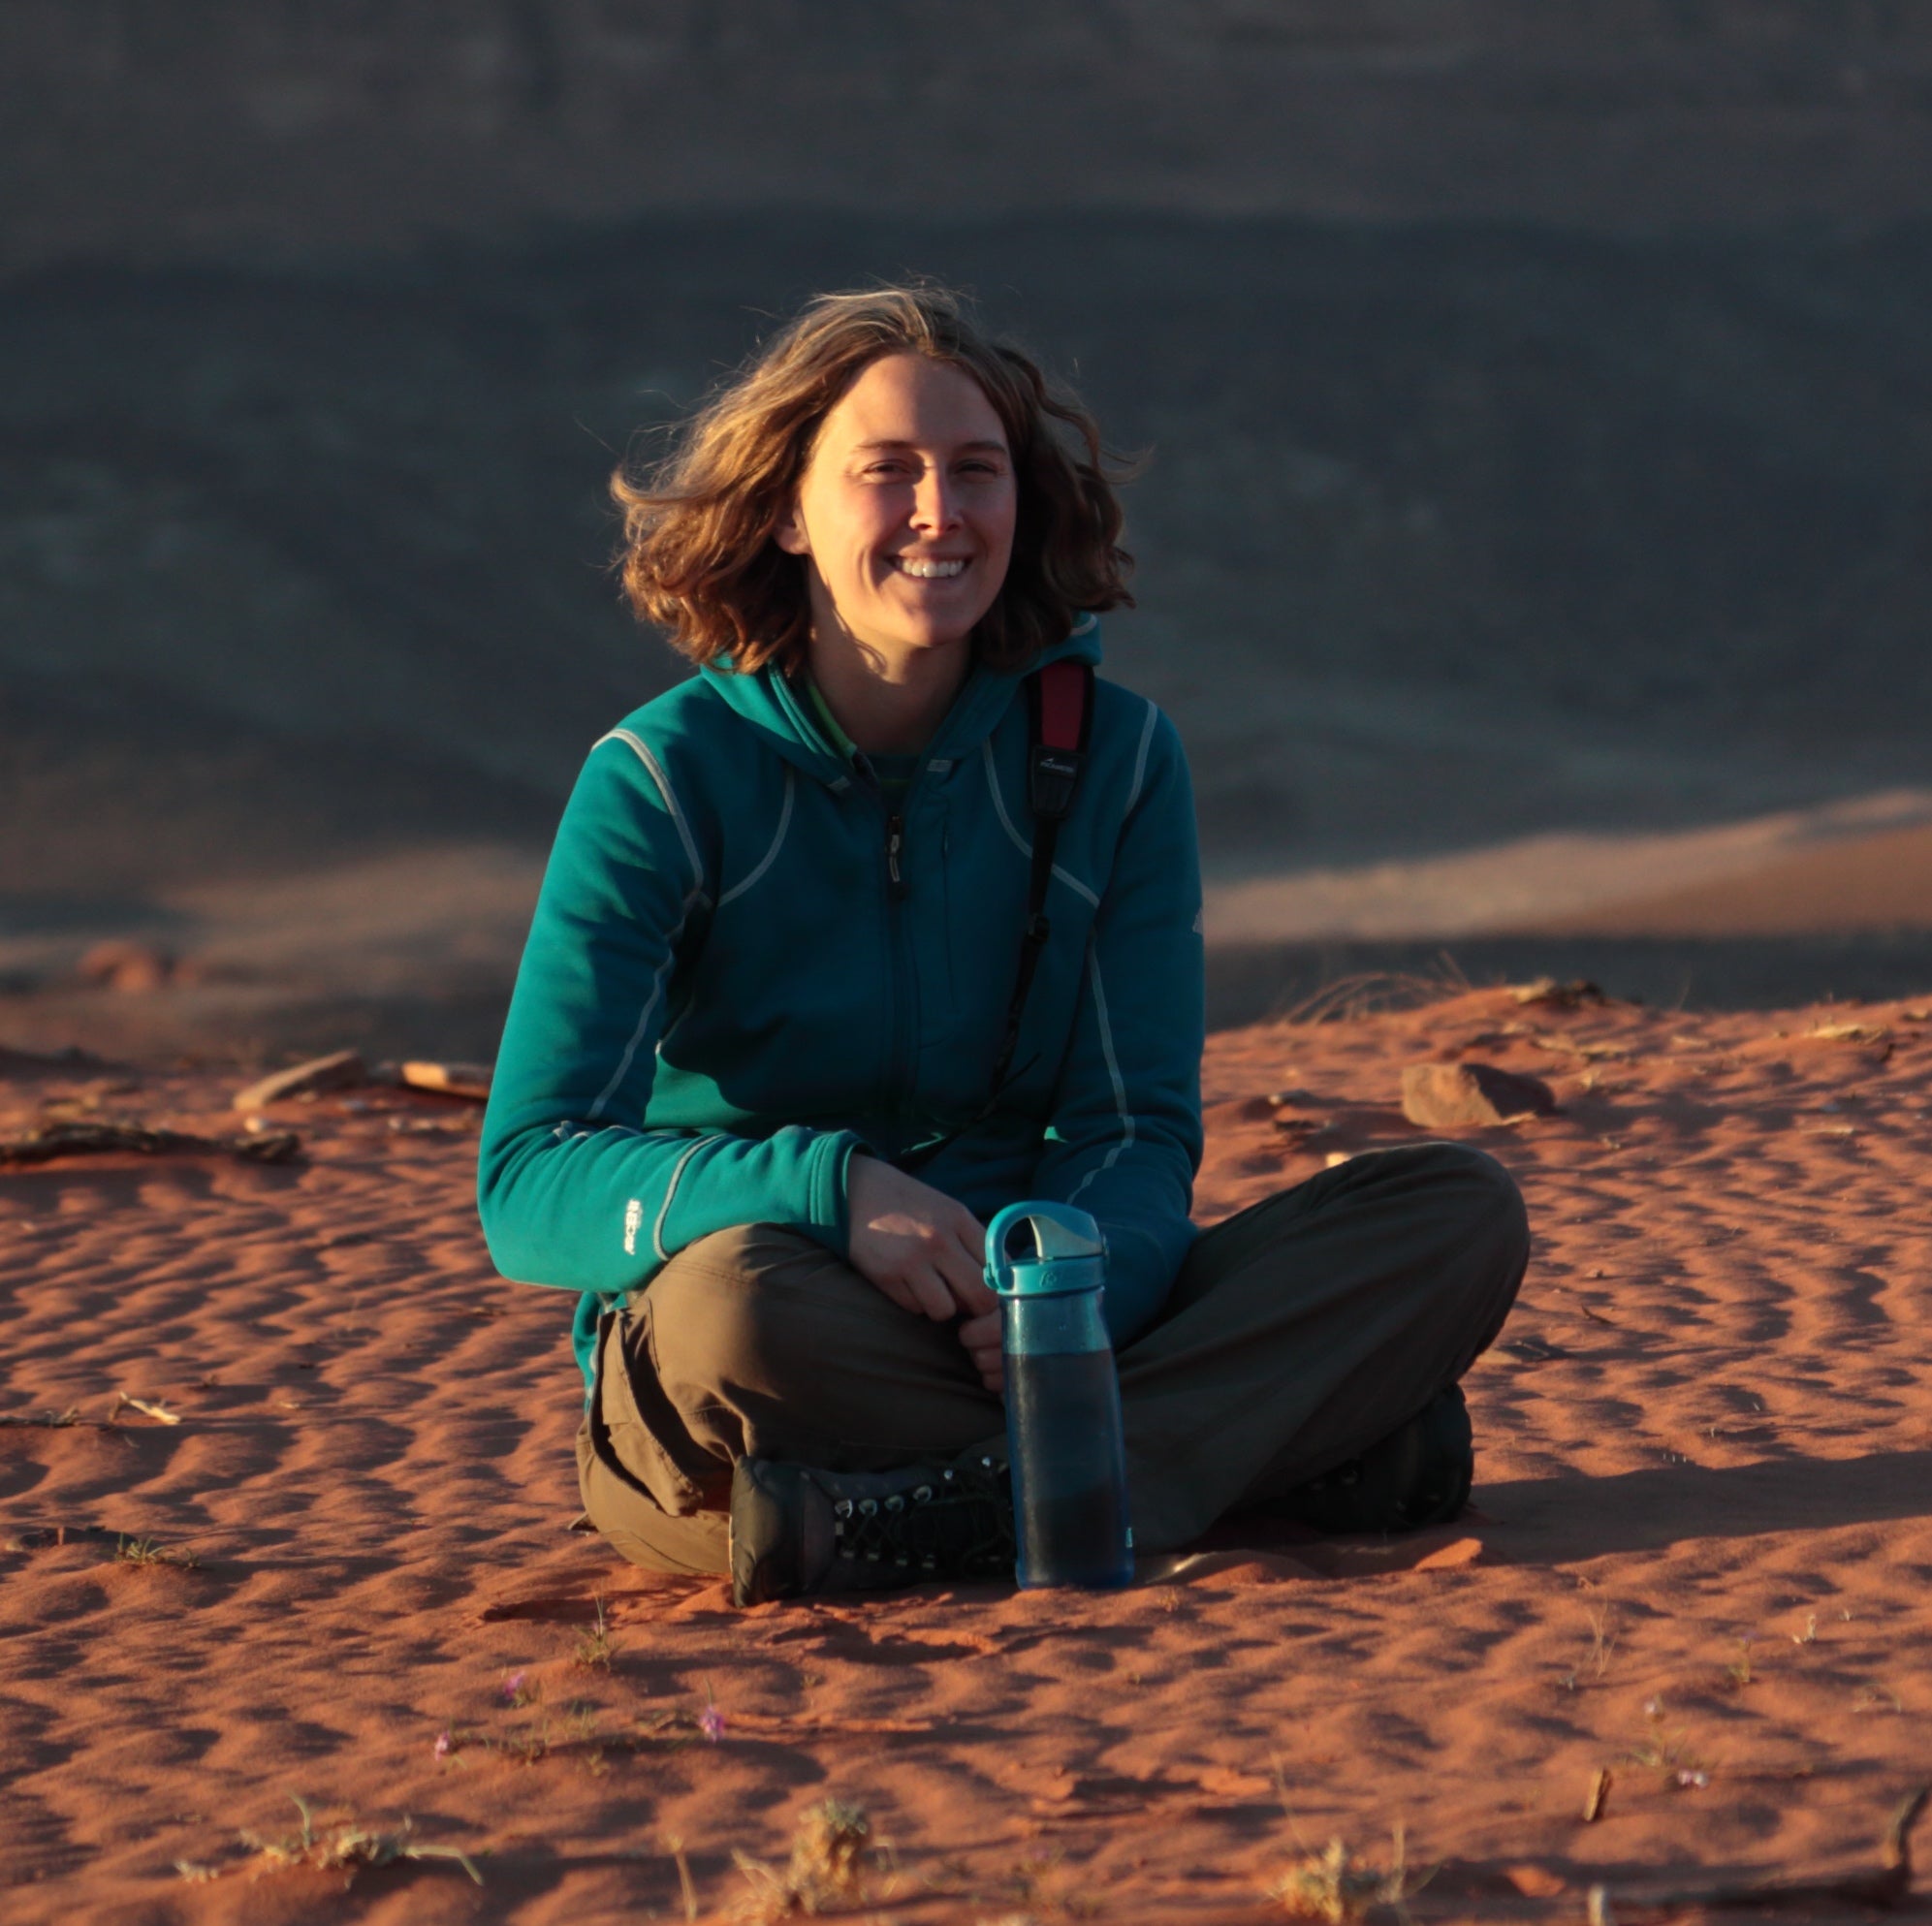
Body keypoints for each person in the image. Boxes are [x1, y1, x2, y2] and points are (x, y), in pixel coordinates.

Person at [477, 284, 1528, 1607]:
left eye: (975, 471)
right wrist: (829, 1194)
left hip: (1037, 1316)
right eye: (886, 473)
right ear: (788, 514)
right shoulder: (664, 779)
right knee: (725, 1308)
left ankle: (917, 1515)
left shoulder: (1114, 759)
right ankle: (1225, 1461)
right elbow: (527, 1180)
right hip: (793, 1320)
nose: (939, 511)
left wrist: (1064, 1296)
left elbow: (1136, 1128)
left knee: (1448, 1212)